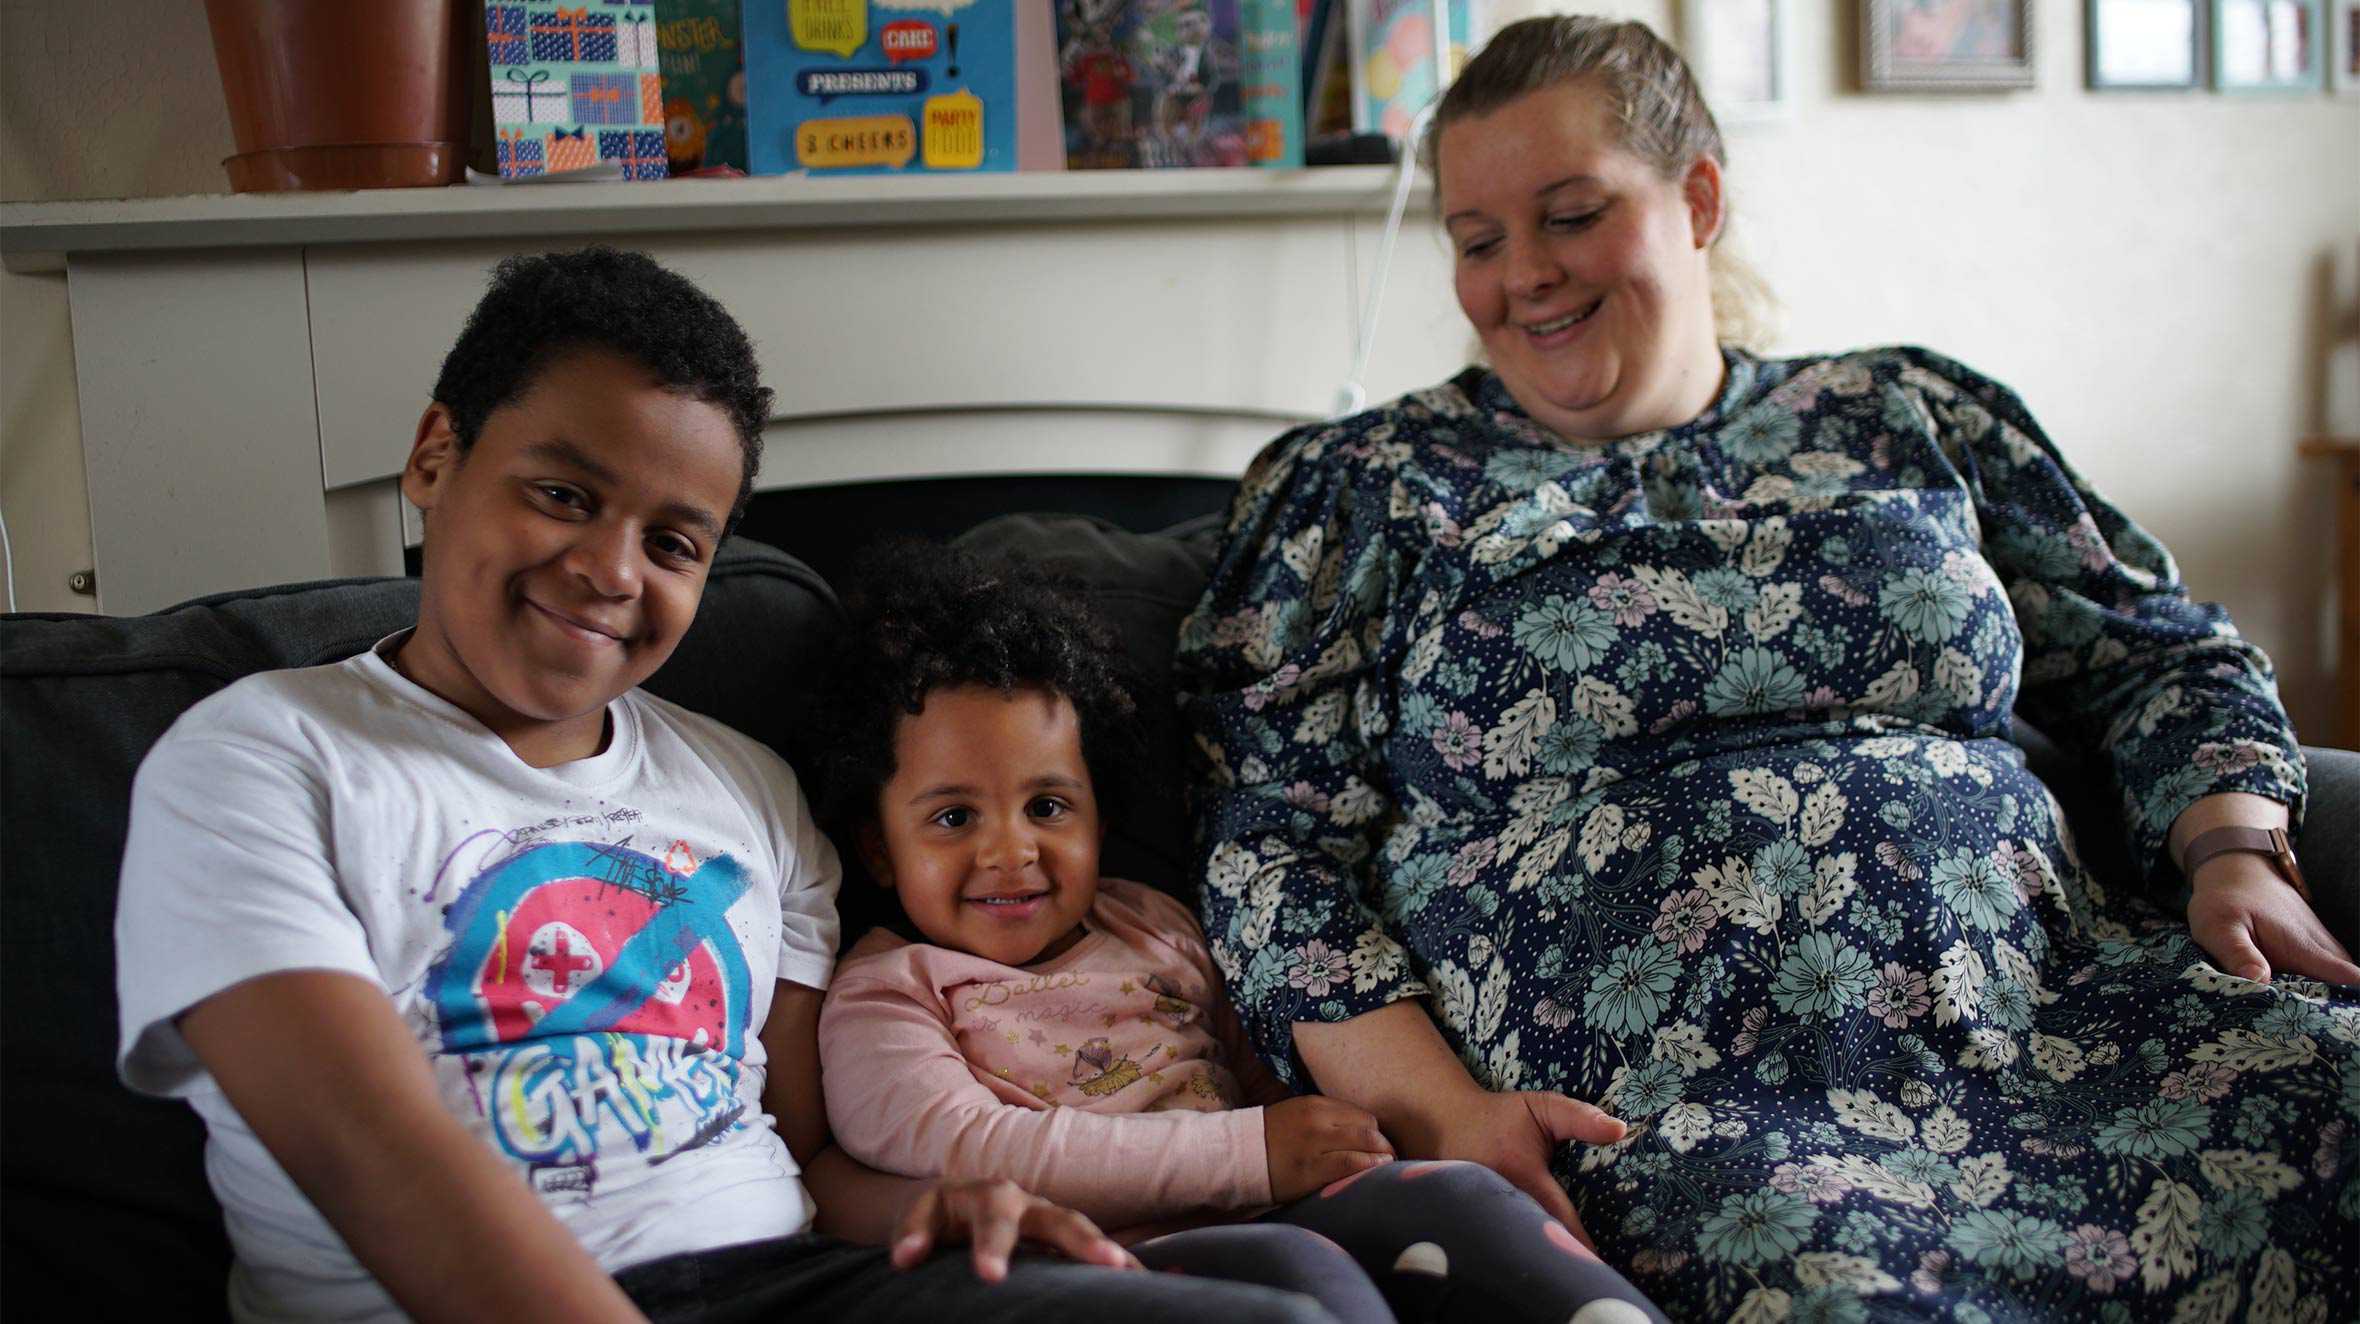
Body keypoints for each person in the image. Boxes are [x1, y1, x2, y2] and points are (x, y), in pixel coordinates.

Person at [1173, 16, 2360, 1320]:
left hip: (2055, 1019)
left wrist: (2234, 847)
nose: (1524, 275)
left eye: (1569, 215)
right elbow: (1274, 850)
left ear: (1698, 199)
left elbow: (2153, 647)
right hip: (1688, 1102)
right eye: (1477, 240)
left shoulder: (1905, 413)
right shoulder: (1359, 492)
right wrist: (1446, 1112)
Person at [113, 248, 1336, 1324]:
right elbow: (363, 1154)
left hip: (793, 1282)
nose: (607, 569)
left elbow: (801, 1156)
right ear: (436, 456)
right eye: (562, 494)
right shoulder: (258, 760)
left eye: (673, 540)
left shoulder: (745, 788)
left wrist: (947, 1206)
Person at [813, 543, 1670, 1324]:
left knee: (1455, 1197)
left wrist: (1331, 1135)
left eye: (1047, 806)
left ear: (1101, 817)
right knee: (1294, 1266)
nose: (1012, 850)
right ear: (876, 850)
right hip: (1108, 1262)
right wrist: (1251, 1154)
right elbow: (972, 1150)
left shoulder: (1150, 921)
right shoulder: (887, 991)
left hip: (1276, 1204)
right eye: (955, 816)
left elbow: (1255, 1071)